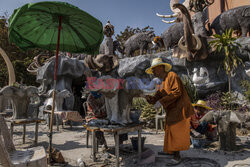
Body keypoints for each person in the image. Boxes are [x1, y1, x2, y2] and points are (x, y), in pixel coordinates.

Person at [144, 58, 194, 165]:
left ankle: (177, 156)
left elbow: (177, 92)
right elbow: (157, 97)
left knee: (176, 132)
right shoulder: (161, 82)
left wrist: (161, 102)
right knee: (170, 131)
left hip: (181, 109)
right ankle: (171, 151)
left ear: (161, 68)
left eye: (154, 69)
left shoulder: (172, 76)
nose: (153, 72)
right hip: (172, 110)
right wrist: (148, 98)